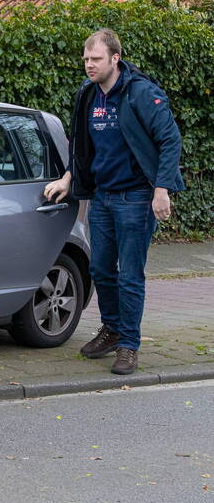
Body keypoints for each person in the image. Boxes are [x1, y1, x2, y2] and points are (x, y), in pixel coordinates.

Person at [44, 28, 184, 376]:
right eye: (86, 59)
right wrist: (68, 177)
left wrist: (162, 189)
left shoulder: (141, 94)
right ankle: (112, 329)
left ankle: (129, 346)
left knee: (130, 275)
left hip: (137, 197)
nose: (89, 65)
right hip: (103, 198)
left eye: (96, 59)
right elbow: (81, 145)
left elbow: (170, 140)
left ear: (115, 59)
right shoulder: (89, 95)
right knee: (101, 270)